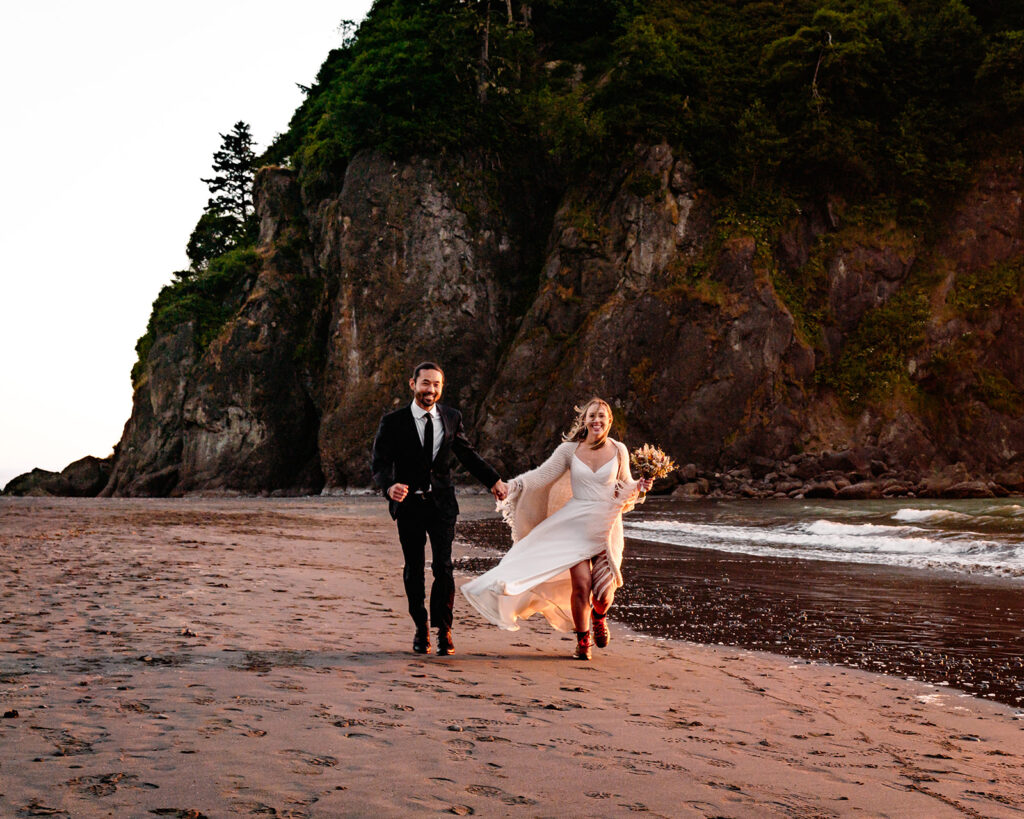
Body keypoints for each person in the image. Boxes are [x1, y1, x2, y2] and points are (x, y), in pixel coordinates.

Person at [461, 398, 652, 660]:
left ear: (610, 421)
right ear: (584, 420)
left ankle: (599, 617)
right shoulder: (569, 451)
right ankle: (583, 643)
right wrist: (512, 486)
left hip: (608, 526)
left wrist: (640, 486)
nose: (597, 420)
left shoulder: (619, 450)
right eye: (592, 416)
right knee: (582, 586)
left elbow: (625, 485)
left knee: (605, 593)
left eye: (602, 416)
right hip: (575, 526)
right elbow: (542, 476)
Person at [371, 362, 508, 656]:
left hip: (442, 504)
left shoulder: (451, 417)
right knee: (414, 569)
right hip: (408, 505)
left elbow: (468, 455)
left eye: (436, 385)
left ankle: (444, 629)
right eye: (425, 383)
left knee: (444, 567)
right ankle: (421, 626)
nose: (430, 390)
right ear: (413, 384)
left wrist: (493, 480)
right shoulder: (393, 422)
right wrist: (388, 488)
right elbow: (380, 463)